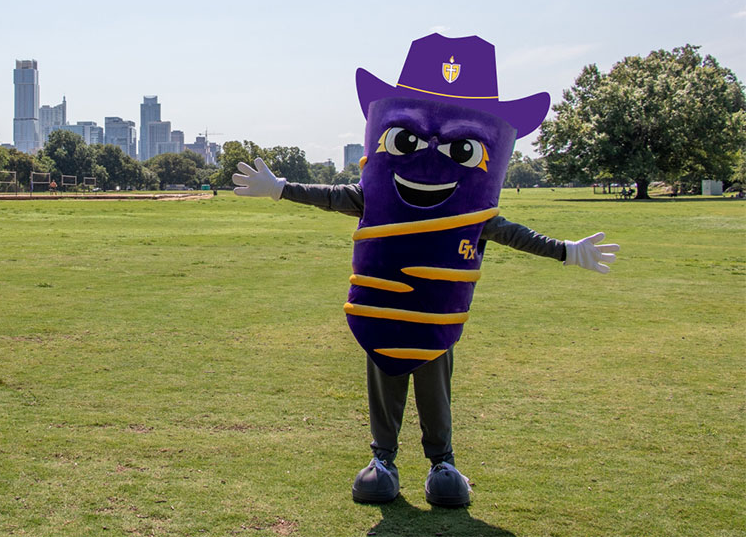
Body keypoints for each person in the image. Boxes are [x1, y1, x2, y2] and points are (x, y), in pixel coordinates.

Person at [233, 34, 619, 507]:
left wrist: (565, 251)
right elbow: (333, 195)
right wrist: (282, 188)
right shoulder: (374, 196)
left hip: (435, 316)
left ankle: (443, 461)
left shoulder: (473, 213)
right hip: (385, 311)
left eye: (458, 149)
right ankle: (383, 459)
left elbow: (514, 233)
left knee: (435, 386)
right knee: (385, 379)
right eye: (409, 139)